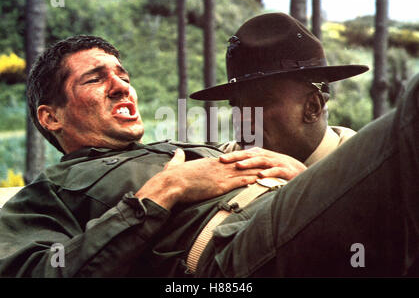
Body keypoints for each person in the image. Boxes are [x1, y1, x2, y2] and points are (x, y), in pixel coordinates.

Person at [1, 34, 418, 277]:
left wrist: (301, 174)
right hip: (231, 253)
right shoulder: (47, 192)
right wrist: (160, 194)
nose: (121, 86)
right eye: (96, 78)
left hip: (292, 216)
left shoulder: (183, 149)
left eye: (123, 76)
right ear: (50, 117)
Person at [190, 12, 369, 167]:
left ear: (313, 107)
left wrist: (302, 181)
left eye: (261, 102)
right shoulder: (229, 158)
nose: (242, 118)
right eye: (236, 105)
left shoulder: (360, 169)